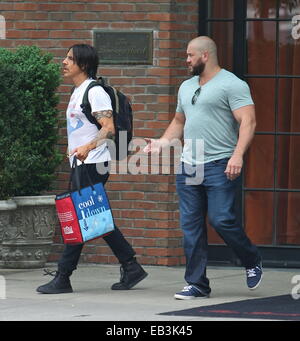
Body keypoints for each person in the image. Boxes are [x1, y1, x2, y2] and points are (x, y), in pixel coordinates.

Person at [144, 36, 262, 300]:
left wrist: (238, 155)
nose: (186, 60)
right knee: (191, 226)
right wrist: (162, 143)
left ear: (205, 55)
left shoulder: (232, 84)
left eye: (189, 55)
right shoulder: (186, 87)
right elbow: (178, 121)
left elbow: (248, 122)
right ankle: (197, 283)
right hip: (189, 165)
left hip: (220, 163)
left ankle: (251, 257)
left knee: (221, 219)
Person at [37, 44, 147, 294]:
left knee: (80, 217)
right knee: (95, 218)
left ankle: (63, 276)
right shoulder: (78, 91)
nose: (64, 62)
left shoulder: (94, 91)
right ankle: (131, 266)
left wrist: (87, 146)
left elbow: (108, 127)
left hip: (93, 163)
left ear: (83, 65)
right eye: (65, 58)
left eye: (70, 59)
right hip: (82, 163)